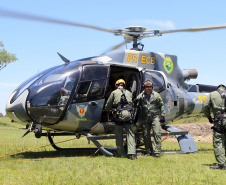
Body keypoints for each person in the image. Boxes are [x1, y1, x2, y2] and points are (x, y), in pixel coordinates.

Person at [105, 79, 137, 160]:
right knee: (130, 135)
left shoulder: (114, 92)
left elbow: (108, 105)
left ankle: (121, 154)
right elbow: (132, 104)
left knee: (119, 135)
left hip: (119, 116)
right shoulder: (129, 93)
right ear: (124, 86)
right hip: (129, 115)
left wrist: (107, 110)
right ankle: (132, 154)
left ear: (116, 86)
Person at [134, 79, 165, 157]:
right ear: (144, 87)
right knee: (146, 135)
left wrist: (163, 115)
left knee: (157, 133)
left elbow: (161, 105)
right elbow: (136, 106)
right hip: (145, 118)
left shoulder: (156, 95)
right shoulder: (141, 95)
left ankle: (157, 151)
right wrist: (135, 102)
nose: (149, 88)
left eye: (150, 86)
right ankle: (148, 151)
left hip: (155, 117)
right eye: (147, 87)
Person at [203, 84, 226, 170]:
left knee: (218, 141)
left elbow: (205, 107)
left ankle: (221, 164)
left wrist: (209, 117)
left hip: (219, 121)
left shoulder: (212, 94)